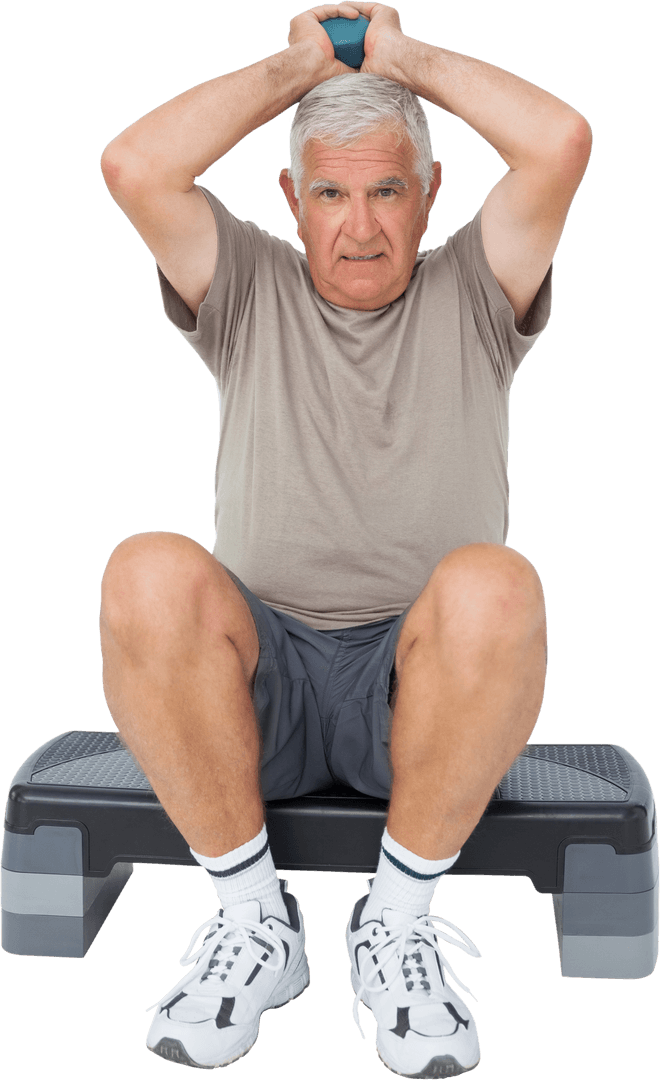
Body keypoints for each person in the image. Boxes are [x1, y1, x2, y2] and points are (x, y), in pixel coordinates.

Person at [99, 2, 591, 1075]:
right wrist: (299, 67)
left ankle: (395, 928)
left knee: (495, 587)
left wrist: (403, 57)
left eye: (386, 191)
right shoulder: (245, 285)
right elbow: (135, 164)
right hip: (261, 687)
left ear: (429, 197)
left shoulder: (475, 288)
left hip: (422, 698)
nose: (359, 227)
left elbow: (559, 143)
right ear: (292, 198)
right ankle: (255, 927)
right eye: (330, 192)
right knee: (145, 570)